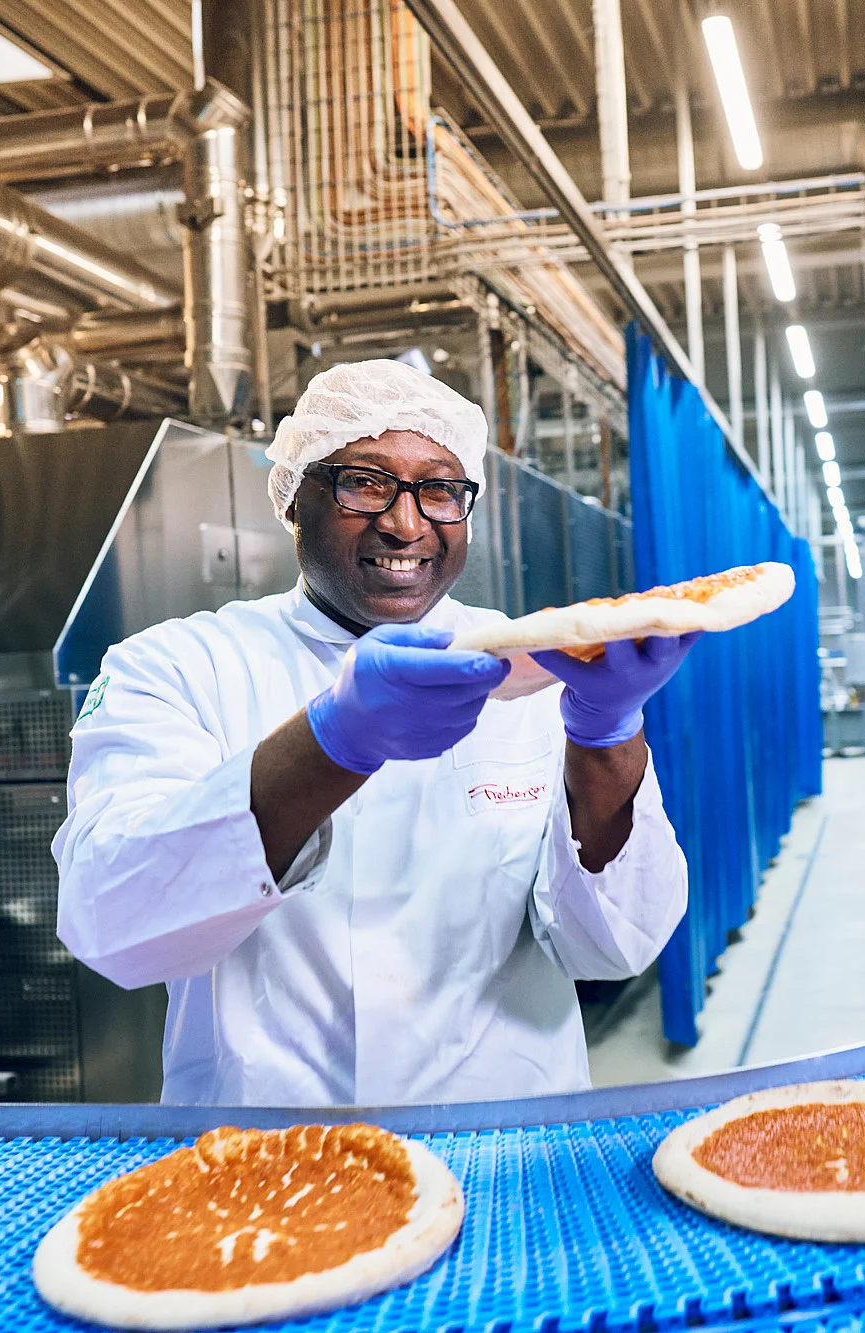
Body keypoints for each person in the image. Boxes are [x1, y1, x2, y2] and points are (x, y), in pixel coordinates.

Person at [54, 359, 693, 1106]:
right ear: (296, 500)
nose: (406, 522)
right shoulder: (175, 667)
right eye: (365, 481)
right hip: (270, 1162)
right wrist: (331, 743)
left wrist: (607, 730)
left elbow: (613, 943)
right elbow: (115, 921)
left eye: (441, 489)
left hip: (502, 1137)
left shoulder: (533, 660)